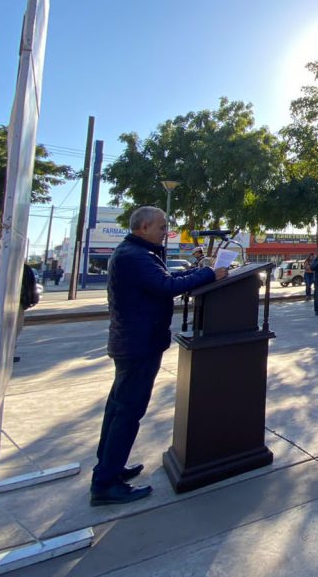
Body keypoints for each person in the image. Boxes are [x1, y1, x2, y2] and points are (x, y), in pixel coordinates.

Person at [91, 206, 225, 506]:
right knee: (126, 412)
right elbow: (165, 286)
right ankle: (105, 483)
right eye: (162, 227)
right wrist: (207, 274)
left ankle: (109, 468)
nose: (166, 232)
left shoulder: (137, 253)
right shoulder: (134, 256)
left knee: (118, 410)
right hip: (138, 344)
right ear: (143, 228)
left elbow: (163, 278)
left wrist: (195, 271)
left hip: (135, 342)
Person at [0, 262, 40, 367]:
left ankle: (8, 353)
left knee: (15, 329)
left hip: (17, 303)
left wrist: (33, 299)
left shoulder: (25, 269)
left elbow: (31, 284)